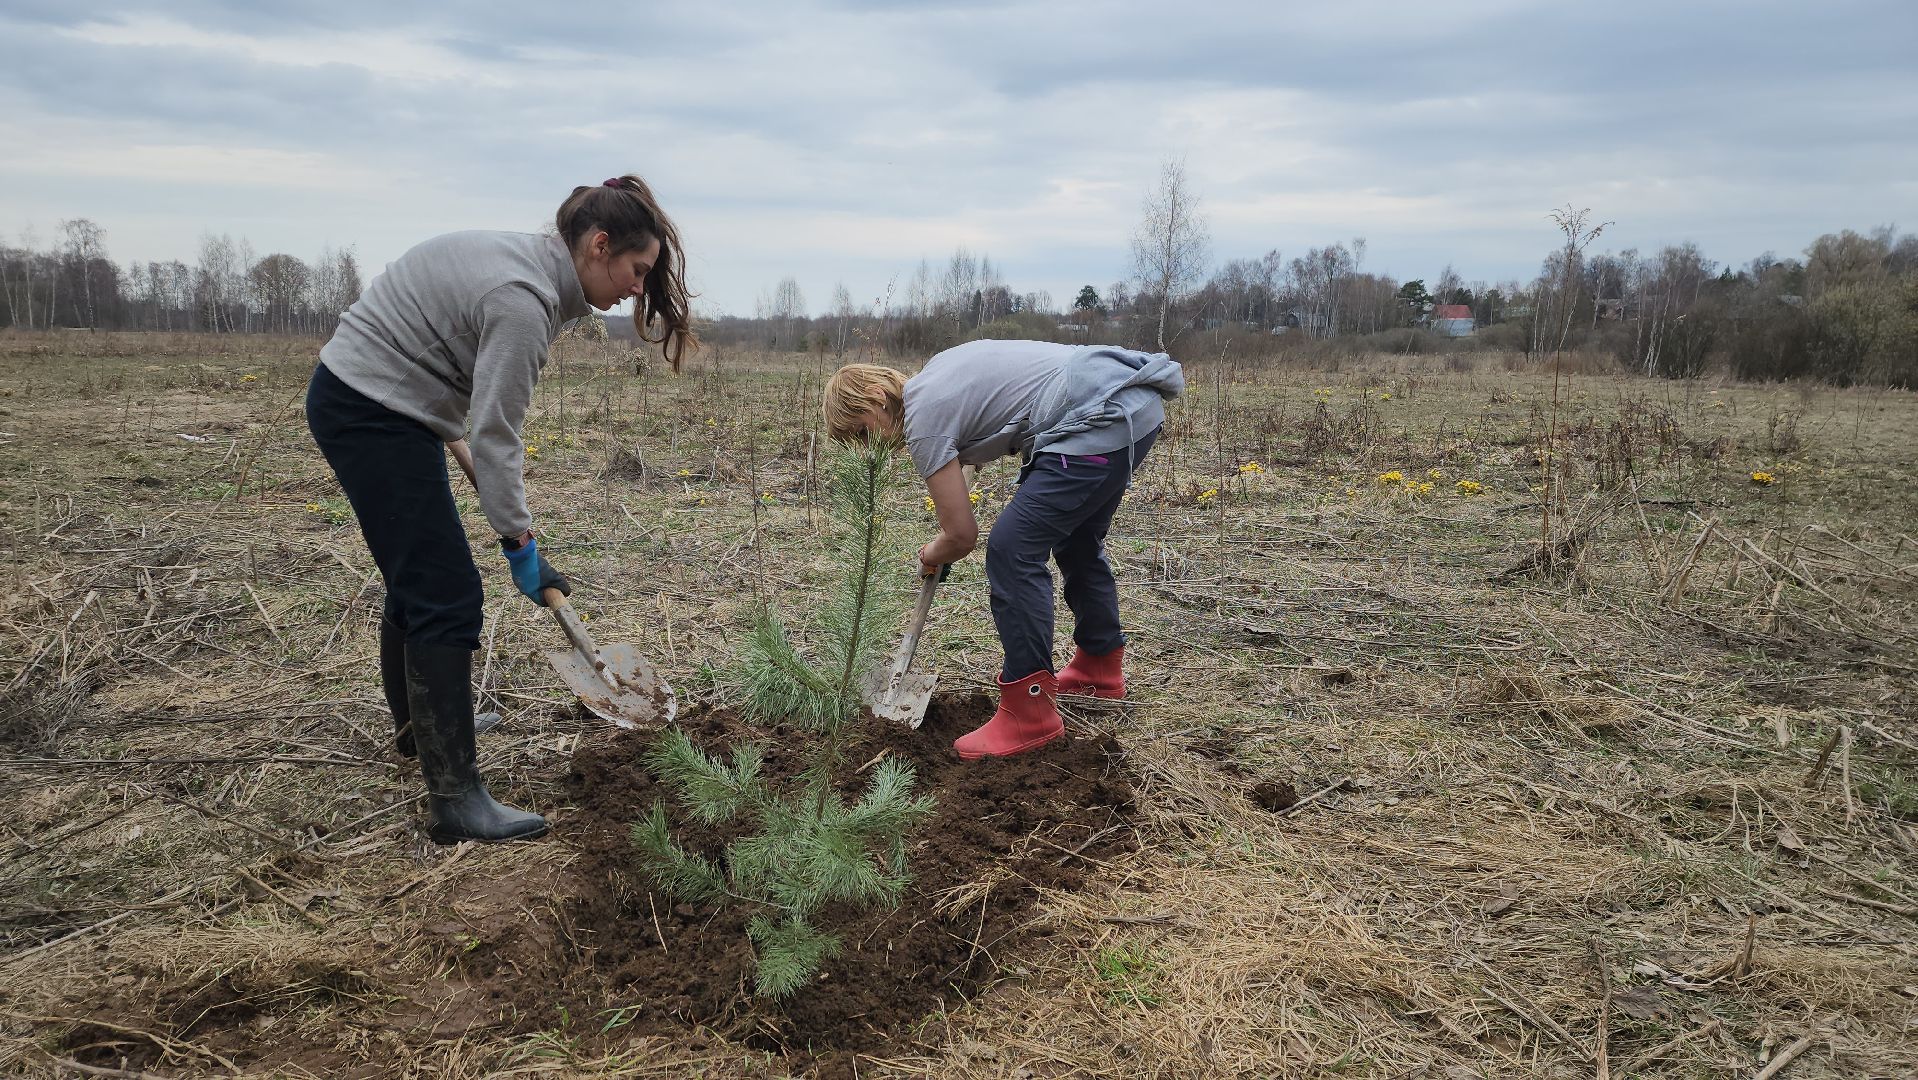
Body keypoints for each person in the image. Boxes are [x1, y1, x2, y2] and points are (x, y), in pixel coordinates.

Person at [305, 175, 695, 843]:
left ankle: (417, 731)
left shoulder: (527, 266)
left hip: (389, 402)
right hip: (371, 409)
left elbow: (454, 385)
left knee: (420, 577)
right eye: (636, 269)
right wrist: (519, 542)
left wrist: (504, 513)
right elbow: (495, 432)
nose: (637, 286)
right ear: (599, 246)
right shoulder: (524, 300)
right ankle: (456, 800)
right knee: (444, 591)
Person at [823, 341, 1182, 760]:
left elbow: (960, 536)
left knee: (1012, 549)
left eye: (864, 431)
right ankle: (1097, 668)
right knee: (1077, 539)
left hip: (1095, 418)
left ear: (875, 397)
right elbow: (998, 408)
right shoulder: (939, 374)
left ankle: (1029, 712)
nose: (871, 449)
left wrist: (932, 553)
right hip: (1133, 408)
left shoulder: (924, 419)